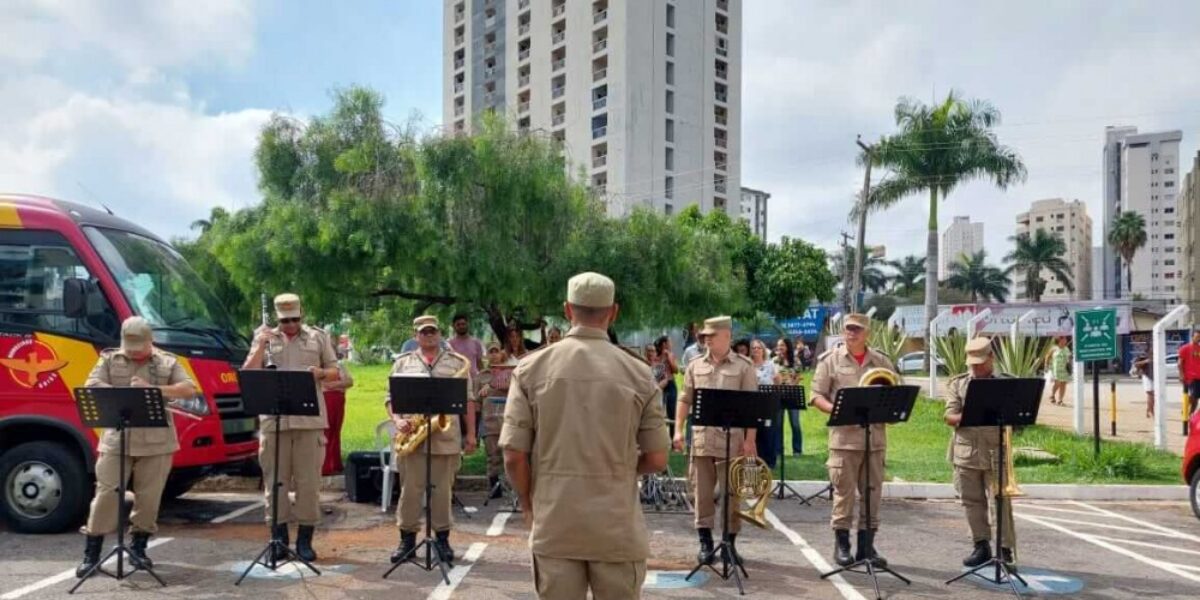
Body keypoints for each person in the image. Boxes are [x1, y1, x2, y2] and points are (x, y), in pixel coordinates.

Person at [501, 272, 669, 599]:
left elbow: (513, 455)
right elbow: (658, 458)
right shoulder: (639, 373)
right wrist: (620, 469)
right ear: (614, 312)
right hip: (617, 527)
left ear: (567, 310)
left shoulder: (530, 370)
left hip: (555, 523)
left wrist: (528, 504)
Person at [75, 317, 198, 577]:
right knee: (106, 494)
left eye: (138, 347)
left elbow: (188, 389)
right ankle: (92, 553)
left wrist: (154, 389)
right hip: (117, 440)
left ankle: (138, 549)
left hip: (156, 443)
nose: (133, 352)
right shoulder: (110, 359)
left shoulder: (167, 361)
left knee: (149, 498)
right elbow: (92, 385)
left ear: (150, 341)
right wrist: (121, 395)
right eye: (129, 346)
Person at [244, 293, 339, 562]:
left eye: (295, 319)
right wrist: (260, 346)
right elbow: (248, 373)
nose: (291, 325)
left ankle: (305, 541)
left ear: (302, 314)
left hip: (309, 423)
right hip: (275, 423)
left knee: (308, 483)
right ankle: (278, 539)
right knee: (275, 483)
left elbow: (336, 371)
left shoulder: (318, 337)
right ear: (277, 317)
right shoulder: (263, 337)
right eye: (285, 321)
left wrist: (319, 374)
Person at [387, 316, 476, 565]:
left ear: (440, 333)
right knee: (410, 491)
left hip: (445, 437)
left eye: (433, 331)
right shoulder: (403, 363)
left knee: (442, 492)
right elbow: (389, 398)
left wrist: (470, 434)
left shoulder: (457, 363)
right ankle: (407, 540)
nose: (429, 335)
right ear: (416, 336)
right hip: (413, 437)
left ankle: (442, 540)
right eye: (423, 332)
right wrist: (397, 420)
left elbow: (468, 400)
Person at [811, 312, 895, 568]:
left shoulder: (881, 361)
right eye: (848, 328)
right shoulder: (830, 360)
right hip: (844, 441)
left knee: (872, 495)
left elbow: (894, 392)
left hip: (874, 440)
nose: (851, 333)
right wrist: (836, 409)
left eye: (857, 329)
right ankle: (843, 545)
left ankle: (867, 547)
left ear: (866, 332)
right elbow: (816, 395)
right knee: (844, 494)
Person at [673, 316, 758, 567]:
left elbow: (751, 407)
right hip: (702, 440)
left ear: (726, 336)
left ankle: (729, 544)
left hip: (733, 442)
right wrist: (678, 430)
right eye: (705, 336)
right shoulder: (695, 365)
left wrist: (750, 439)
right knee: (702, 492)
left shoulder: (744, 366)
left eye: (712, 335)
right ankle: (706, 543)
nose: (707, 339)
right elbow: (685, 399)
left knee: (732, 493)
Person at [944, 337, 1018, 571]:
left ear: (991, 358)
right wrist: (971, 414)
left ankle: (1004, 550)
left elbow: (1018, 416)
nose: (975, 368)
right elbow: (949, 416)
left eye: (980, 363)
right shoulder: (958, 384)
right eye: (972, 364)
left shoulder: (1006, 384)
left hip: (996, 451)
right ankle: (981, 546)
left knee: (1001, 503)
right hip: (966, 452)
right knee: (971, 501)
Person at [478, 341, 517, 497]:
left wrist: (493, 385)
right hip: (489, 422)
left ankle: (514, 488)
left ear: (501, 353)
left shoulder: (512, 373)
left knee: (511, 457)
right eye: (490, 351)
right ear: (486, 355)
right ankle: (495, 489)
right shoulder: (481, 376)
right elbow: (475, 401)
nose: (493, 354)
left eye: (496, 351)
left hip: (509, 422)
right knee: (493, 457)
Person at [321, 347, 354, 476]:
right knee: (326, 431)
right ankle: (325, 465)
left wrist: (336, 385)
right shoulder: (318, 366)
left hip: (338, 399)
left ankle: (335, 462)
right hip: (325, 399)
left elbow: (350, 381)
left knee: (336, 430)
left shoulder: (339, 365)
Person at [751, 339, 782, 469]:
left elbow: (778, 383)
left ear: (763, 350)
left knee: (769, 430)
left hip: (768, 402)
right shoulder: (748, 365)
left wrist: (777, 380)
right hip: (752, 402)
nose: (756, 350)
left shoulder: (770, 365)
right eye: (753, 348)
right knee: (755, 431)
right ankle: (756, 459)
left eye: (759, 348)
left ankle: (770, 461)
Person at [774, 337, 803, 456]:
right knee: (778, 424)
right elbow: (773, 375)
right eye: (778, 345)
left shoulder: (795, 360)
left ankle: (797, 450)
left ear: (787, 347)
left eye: (782, 345)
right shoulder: (774, 360)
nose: (780, 348)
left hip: (793, 395)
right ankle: (779, 450)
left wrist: (793, 384)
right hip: (779, 395)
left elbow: (799, 376)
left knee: (795, 423)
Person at [655, 335, 680, 439]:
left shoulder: (671, 355)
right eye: (669, 342)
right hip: (659, 385)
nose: (671, 344)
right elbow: (655, 372)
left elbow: (676, 370)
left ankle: (673, 438)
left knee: (672, 412)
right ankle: (659, 438)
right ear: (664, 344)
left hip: (670, 385)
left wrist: (669, 357)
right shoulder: (656, 357)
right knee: (657, 411)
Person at [1178, 329, 1200, 416]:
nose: (1198, 338)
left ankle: (1191, 415)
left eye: (1199, 337)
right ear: (1192, 337)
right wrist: (1181, 375)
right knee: (1194, 396)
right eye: (1196, 337)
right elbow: (1180, 363)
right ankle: (1185, 407)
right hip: (1191, 377)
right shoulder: (1185, 348)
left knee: (1197, 398)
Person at [1047, 336, 1071, 406]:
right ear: (1060, 340)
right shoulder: (1054, 349)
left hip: (1065, 369)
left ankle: (1060, 400)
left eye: (1065, 339)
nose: (1065, 340)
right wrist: (1046, 365)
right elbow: (1047, 357)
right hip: (1056, 369)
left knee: (1063, 384)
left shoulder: (1067, 348)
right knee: (1057, 383)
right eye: (1064, 339)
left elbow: (1069, 357)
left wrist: (1070, 365)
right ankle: (1052, 395)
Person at [1134, 350, 1155, 419]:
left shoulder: (1157, 355)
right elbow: (1136, 364)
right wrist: (1145, 361)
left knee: (1153, 396)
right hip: (1147, 376)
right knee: (1150, 394)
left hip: (1155, 377)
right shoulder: (1143, 356)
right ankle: (1151, 411)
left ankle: (1148, 410)